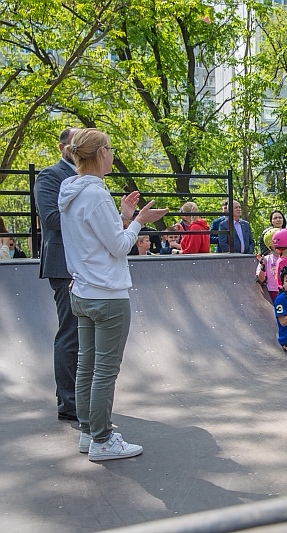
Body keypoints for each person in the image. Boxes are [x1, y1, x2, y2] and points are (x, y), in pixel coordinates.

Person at [58, 128, 168, 460]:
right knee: (104, 369)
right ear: (101, 153)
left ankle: (89, 431)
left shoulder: (70, 189)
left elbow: (98, 238)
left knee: (86, 365)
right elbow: (120, 246)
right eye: (110, 148)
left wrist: (124, 216)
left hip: (83, 289)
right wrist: (139, 222)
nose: (112, 154)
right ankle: (103, 440)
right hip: (107, 293)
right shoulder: (95, 194)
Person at [32, 126, 80, 421]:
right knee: (70, 333)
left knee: (84, 335)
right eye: (76, 143)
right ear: (62, 146)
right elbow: (50, 218)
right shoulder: (50, 176)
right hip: (63, 264)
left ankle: (83, 399)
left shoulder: (88, 178)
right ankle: (69, 404)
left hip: (85, 264)